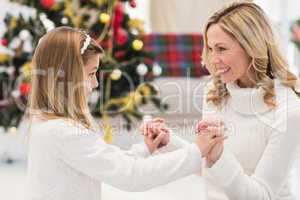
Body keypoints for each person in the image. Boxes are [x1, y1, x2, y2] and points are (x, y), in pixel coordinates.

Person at [24, 26, 225, 200]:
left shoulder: (50, 123)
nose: (95, 84)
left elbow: (107, 161)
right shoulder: (63, 131)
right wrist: (196, 150)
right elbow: (132, 175)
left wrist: (145, 148)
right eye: (91, 74)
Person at [143, 1, 300, 200]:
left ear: (252, 47)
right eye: (210, 48)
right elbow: (211, 168)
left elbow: (262, 195)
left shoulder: (289, 112)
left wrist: (218, 155)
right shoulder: (216, 92)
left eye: (222, 49)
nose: (213, 59)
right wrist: (168, 141)